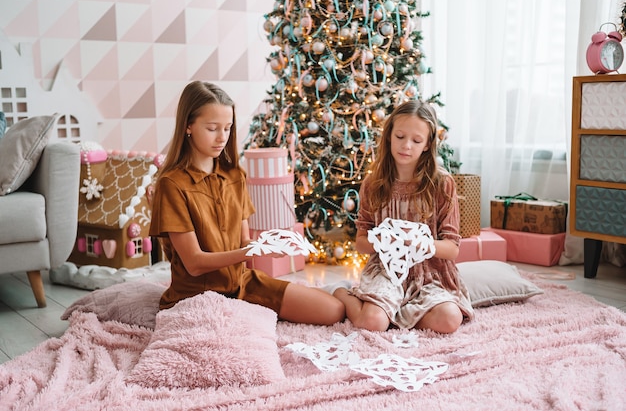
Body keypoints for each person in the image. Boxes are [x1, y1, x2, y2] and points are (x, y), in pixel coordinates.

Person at [150, 80, 345, 325]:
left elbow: (244, 242)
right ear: (188, 126)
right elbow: (195, 263)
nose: (222, 137)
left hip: (242, 283)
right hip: (195, 294)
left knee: (333, 311)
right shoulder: (173, 184)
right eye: (212, 128)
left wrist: (269, 246)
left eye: (228, 128)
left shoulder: (235, 176)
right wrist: (252, 250)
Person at [330, 100, 474, 333]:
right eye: (399, 136)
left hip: (430, 274)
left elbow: (452, 248)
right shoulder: (373, 184)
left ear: (428, 144)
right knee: (372, 323)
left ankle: (393, 313)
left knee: (449, 320)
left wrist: (418, 244)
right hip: (387, 271)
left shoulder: (442, 183)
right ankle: (343, 292)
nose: (406, 145)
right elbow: (361, 243)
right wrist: (386, 241)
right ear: (389, 136)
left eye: (416, 140)